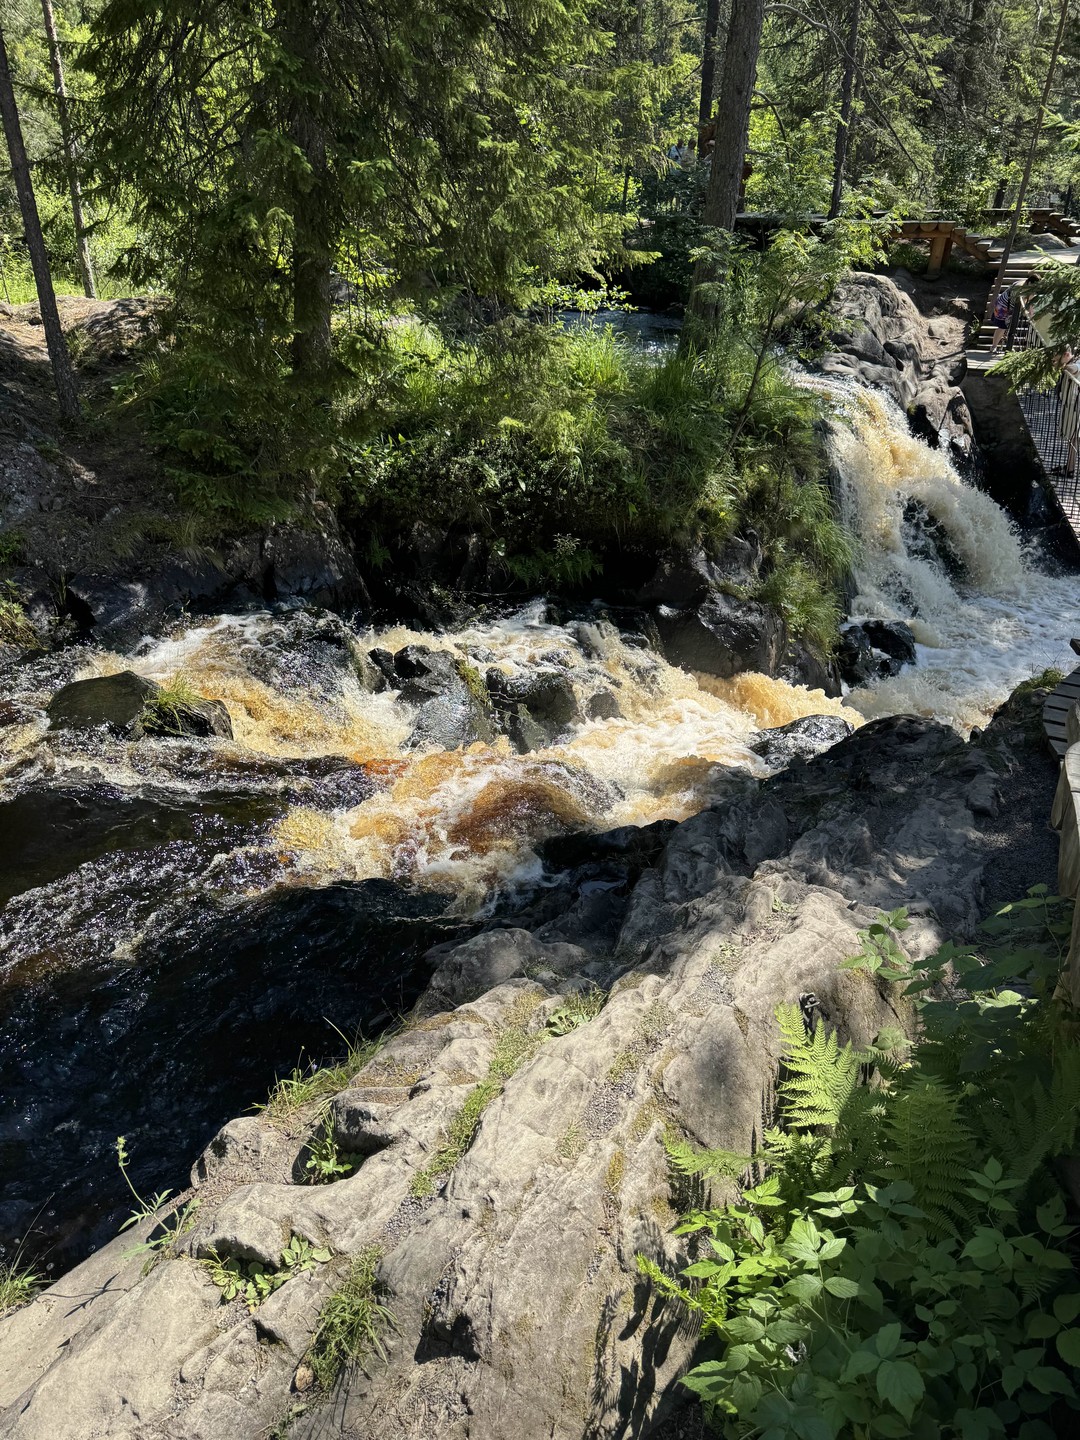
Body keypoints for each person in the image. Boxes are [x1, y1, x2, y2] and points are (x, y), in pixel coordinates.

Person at [990, 285, 1013, 355]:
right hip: (1003, 306)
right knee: (1002, 327)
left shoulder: (1022, 284)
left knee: (1005, 327)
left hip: (1006, 306)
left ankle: (1006, 347)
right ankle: (993, 347)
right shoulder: (1022, 287)